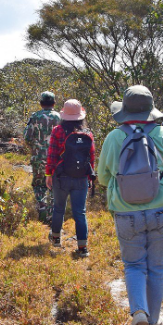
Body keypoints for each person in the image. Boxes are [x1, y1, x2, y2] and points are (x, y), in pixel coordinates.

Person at [96, 85, 163, 325]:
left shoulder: (113, 138)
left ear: (124, 110)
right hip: (162, 211)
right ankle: (153, 323)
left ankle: (139, 313)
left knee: (134, 264)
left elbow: (103, 178)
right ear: (150, 109)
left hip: (126, 214)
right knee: (158, 266)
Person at [45, 99, 95, 258]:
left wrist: (48, 174)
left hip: (61, 176)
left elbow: (52, 155)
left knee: (59, 208)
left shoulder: (57, 131)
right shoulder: (87, 133)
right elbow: (91, 158)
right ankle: (82, 248)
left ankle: (56, 239)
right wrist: (89, 178)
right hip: (81, 178)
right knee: (80, 212)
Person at [24, 91, 62, 223]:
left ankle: (42, 208)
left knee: (39, 185)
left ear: (41, 103)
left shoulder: (34, 117)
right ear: (54, 103)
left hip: (38, 157)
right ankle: (52, 214)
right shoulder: (60, 117)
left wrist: (35, 148)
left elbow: (27, 137)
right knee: (54, 185)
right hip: (56, 159)